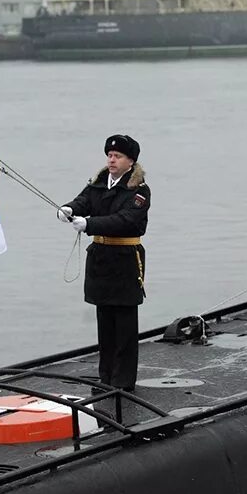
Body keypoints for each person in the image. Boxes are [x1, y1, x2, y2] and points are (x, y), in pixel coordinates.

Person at [59, 135, 150, 391]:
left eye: (118, 156)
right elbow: (84, 201)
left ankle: (123, 382)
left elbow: (126, 220)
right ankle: (106, 377)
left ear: (130, 161)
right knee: (105, 322)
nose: (111, 160)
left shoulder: (139, 190)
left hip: (124, 260)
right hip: (100, 259)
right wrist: (68, 209)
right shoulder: (100, 182)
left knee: (124, 325)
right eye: (110, 156)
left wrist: (90, 224)